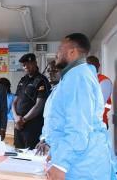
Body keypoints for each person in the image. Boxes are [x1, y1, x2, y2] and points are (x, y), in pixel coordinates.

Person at [41, 33, 116, 180]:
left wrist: (61, 164)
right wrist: (56, 152)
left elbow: (78, 127)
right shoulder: (73, 76)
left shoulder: (78, 77)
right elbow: (60, 122)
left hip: (82, 166)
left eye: (60, 48)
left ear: (72, 52)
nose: (56, 53)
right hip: (78, 161)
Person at [12, 53, 51, 149]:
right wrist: (16, 118)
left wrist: (23, 120)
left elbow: (39, 105)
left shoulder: (42, 80)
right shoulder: (23, 80)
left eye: (28, 64)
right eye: (24, 65)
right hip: (18, 127)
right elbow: (14, 102)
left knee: (31, 156)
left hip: (32, 127)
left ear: (35, 63)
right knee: (18, 154)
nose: (26, 66)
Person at [87, 55, 113, 129]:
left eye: (93, 64)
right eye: (88, 65)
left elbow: (98, 104)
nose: (91, 67)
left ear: (98, 65)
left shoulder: (104, 81)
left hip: (99, 123)